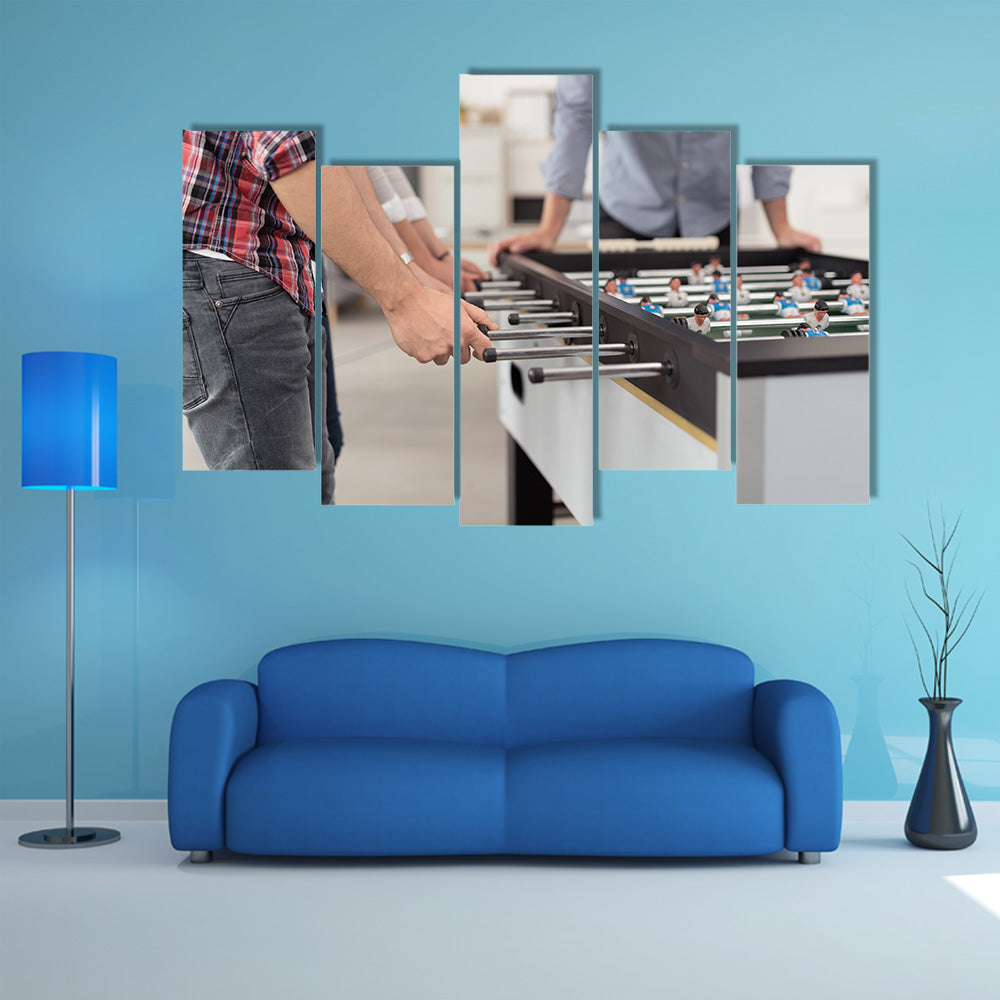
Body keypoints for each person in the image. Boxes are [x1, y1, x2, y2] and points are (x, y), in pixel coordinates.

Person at [182, 131, 495, 505]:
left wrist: (411, 272)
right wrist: (404, 299)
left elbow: (345, 163)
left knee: (316, 484)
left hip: (280, 265)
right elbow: (290, 153)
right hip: (228, 271)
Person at [488, 76, 821, 262]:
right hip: (627, 213)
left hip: (714, 216)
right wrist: (548, 230)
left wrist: (783, 229)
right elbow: (578, 116)